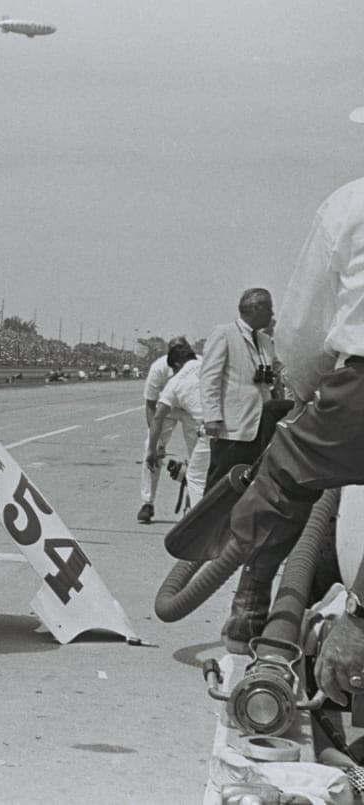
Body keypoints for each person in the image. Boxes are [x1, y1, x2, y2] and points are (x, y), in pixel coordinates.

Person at [211, 177, 364, 668]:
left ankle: (251, 603)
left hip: (359, 390)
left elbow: (304, 327)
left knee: (282, 475)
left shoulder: (350, 202)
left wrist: (300, 392)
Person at [199, 288, 279, 489]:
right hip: (232, 427)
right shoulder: (224, 334)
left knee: (250, 483)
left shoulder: (265, 341)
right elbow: (210, 378)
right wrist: (212, 417)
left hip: (260, 425)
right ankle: (210, 520)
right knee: (221, 483)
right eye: (269, 308)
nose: (272, 314)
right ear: (256, 308)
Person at [138, 336, 200, 523]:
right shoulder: (159, 368)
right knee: (150, 448)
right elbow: (150, 405)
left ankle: (194, 500)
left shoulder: (200, 363)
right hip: (168, 409)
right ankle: (147, 502)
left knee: (198, 453)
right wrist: (156, 443)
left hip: (191, 409)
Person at [145, 342, 209, 507]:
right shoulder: (208, 365)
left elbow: (157, 418)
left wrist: (152, 449)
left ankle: (198, 521)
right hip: (232, 422)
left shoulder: (175, 381)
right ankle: (148, 501)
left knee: (194, 477)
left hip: (206, 426)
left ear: (177, 364)